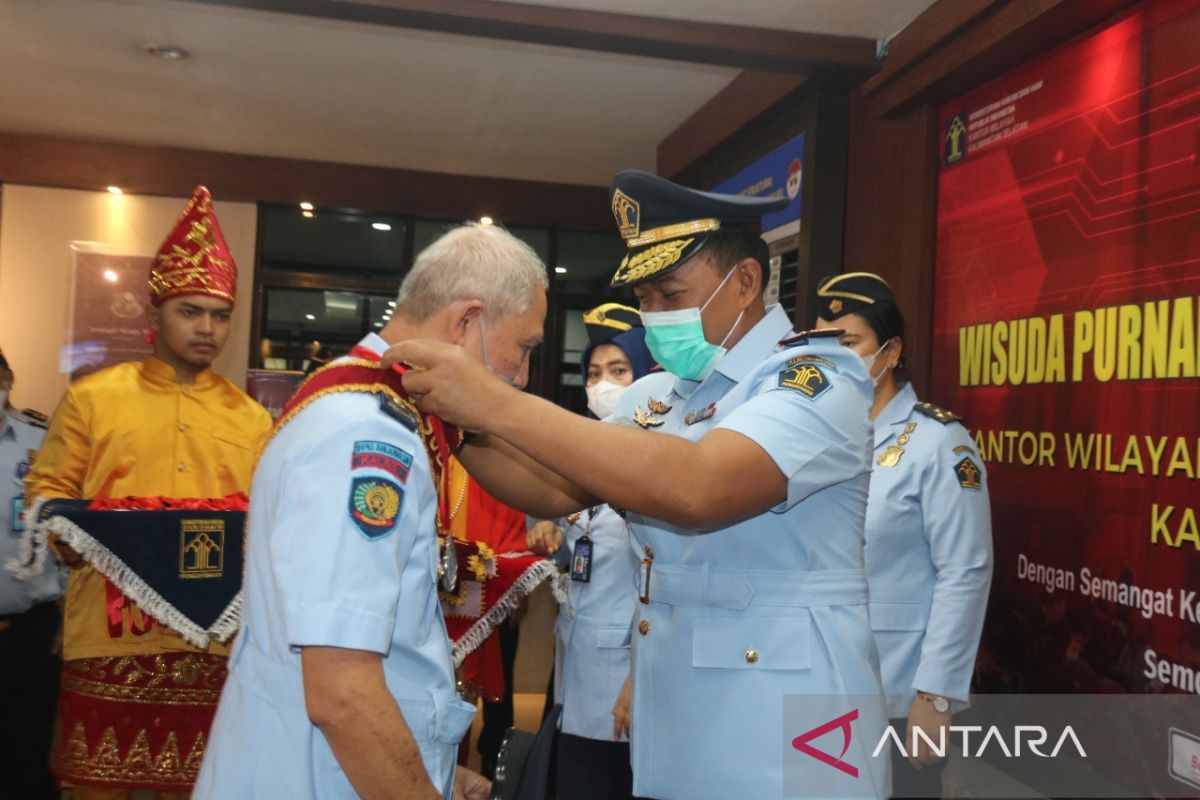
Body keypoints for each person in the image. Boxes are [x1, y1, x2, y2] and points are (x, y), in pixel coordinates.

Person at [385, 171, 890, 799]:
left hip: (796, 722)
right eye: (645, 298)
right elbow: (552, 484)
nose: (652, 315)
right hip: (681, 718)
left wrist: (493, 402)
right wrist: (450, 419)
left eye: (669, 293)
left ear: (745, 282)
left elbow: (699, 488)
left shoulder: (817, 377)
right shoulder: (658, 396)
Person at [195, 222, 545, 800]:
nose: (522, 374)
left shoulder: (370, 406)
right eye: (524, 346)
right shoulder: (366, 436)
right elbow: (342, 693)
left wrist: (436, 771)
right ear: (465, 321)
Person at [23, 186, 274, 799]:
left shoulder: (252, 418)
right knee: (94, 788)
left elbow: (268, 521)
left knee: (205, 787)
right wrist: (103, 538)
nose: (208, 329)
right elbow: (47, 498)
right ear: (154, 313)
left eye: (219, 315)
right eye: (191, 311)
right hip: (107, 634)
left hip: (213, 640)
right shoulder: (93, 398)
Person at [815, 272, 993, 798]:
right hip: (819, 683)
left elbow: (966, 570)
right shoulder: (815, 435)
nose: (834, 358)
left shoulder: (939, 441)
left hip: (895, 692)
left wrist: (936, 695)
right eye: (823, 346)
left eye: (848, 344)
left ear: (890, 352)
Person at [525, 301, 657, 800]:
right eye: (595, 372)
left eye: (619, 371)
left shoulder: (663, 455)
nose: (604, 385)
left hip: (628, 673)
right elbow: (580, 549)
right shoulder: (582, 450)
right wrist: (548, 536)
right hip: (575, 663)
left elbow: (660, 579)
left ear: (646, 374)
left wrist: (638, 680)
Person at [0, 349, 65, 800]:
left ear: (8, 378)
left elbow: (66, 531)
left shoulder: (39, 442)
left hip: (28, 631)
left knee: (28, 758)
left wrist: (67, 610)